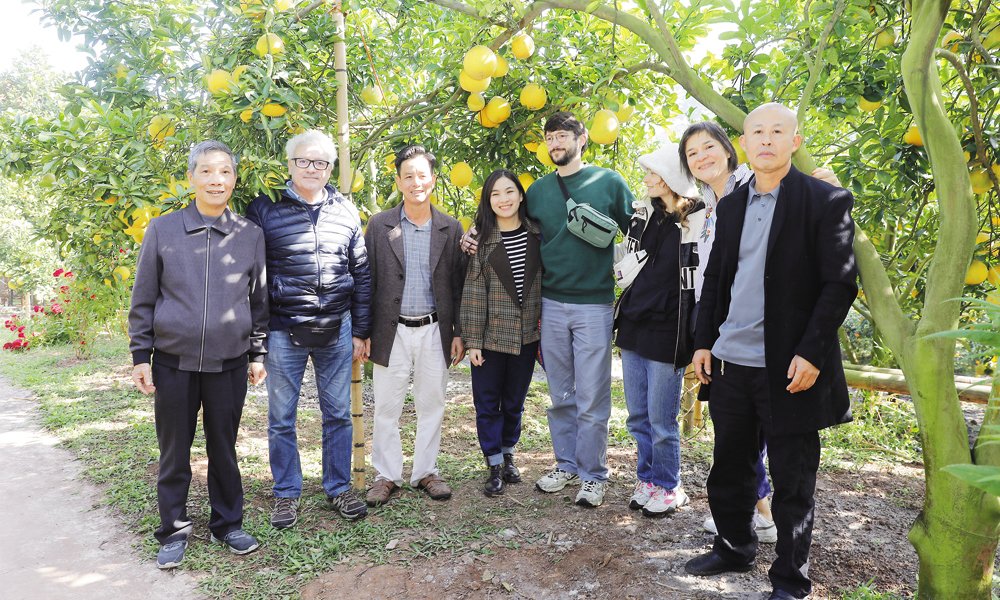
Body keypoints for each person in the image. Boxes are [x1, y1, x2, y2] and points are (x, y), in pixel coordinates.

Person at [684, 103, 857, 600]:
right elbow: (716, 278)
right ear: (743, 144)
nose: (766, 139)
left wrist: (813, 353)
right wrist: (704, 341)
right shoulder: (732, 205)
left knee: (792, 479)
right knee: (730, 468)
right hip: (730, 361)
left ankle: (790, 579)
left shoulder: (824, 200)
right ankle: (734, 546)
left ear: (794, 141)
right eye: (756, 131)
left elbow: (840, 283)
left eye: (777, 131)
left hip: (790, 367)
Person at [463, 111, 634, 508]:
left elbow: (640, 230)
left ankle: (593, 475)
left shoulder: (609, 182)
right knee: (560, 395)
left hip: (593, 304)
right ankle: (566, 464)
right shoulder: (538, 190)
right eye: (550, 137)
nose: (556, 143)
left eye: (563, 135)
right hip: (551, 305)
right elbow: (507, 223)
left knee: (592, 396)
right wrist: (473, 233)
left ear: (582, 138)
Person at [129, 140, 269, 570]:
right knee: (174, 451)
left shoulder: (249, 234)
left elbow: (258, 300)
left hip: (229, 362)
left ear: (234, 179)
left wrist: (257, 352)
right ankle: (173, 529)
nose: (216, 180)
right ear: (191, 177)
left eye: (224, 171)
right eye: (206, 171)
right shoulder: (163, 229)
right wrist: (140, 355)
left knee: (224, 448)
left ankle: (228, 524)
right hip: (173, 361)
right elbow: (143, 297)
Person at [245, 129, 372, 528]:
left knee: (338, 413)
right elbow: (252, 277)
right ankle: (286, 493)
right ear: (290, 165)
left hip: (338, 326)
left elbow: (361, 273)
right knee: (281, 417)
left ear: (330, 168)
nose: (312, 168)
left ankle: (339, 488)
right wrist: (257, 341)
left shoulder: (346, 211)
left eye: (321, 162)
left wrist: (360, 331)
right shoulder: (264, 208)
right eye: (304, 161)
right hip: (284, 328)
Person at [363, 144, 467, 506]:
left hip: (435, 329)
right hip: (389, 330)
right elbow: (367, 281)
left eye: (422, 175)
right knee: (386, 406)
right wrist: (363, 332)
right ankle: (386, 475)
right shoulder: (380, 225)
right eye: (408, 176)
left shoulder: (450, 227)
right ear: (398, 181)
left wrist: (458, 333)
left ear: (433, 179)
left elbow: (459, 285)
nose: (416, 182)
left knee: (432, 402)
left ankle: (425, 471)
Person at [615, 144, 704, 518]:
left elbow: (701, 278)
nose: (647, 178)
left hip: (669, 329)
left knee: (661, 420)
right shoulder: (642, 215)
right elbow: (626, 258)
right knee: (637, 416)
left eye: (653, 172)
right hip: (634, 324)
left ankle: (670, 486)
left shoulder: (697, 218)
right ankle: (648, 479)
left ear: (670, 177)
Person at [460, 169, 542, 497]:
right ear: (488, 200)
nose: (503, 199)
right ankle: (493, 462)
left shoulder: (537, 234)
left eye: (509, 192)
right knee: (487, 403)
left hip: (526, 336)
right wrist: (473, 341)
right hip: (490, 338)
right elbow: (473, 294)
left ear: (521, 195)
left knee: (514, 403)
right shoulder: (481, 240)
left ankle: (508, 453)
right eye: (495, 194)